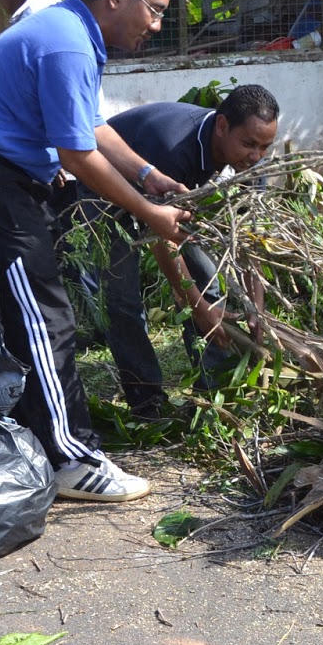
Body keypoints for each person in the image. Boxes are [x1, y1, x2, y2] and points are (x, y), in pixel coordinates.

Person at [0, 0, 192, 503]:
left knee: (17, 318)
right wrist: (149, 213)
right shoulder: (67, 41)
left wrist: (149, 176)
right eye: (156, 9)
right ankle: (72, 457)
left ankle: (26, 440)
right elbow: (76, 156)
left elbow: (92, 125)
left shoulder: (71, 33)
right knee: (46, 318)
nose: (158, 24)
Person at [90, 85, 279, 420]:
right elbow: (162, 240)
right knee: (123, 299)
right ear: (222, 126)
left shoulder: (252, 163)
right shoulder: (173, 147)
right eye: (249, 144)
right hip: (102, 194)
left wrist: (256, 308)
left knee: (208, 282)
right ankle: (146, 401)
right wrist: (195, 304)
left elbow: (251, 242)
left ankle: (214, 392)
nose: (256, 155)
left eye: (265, 146)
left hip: (161, 200)